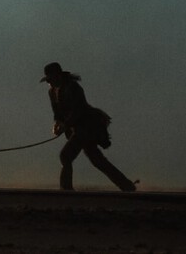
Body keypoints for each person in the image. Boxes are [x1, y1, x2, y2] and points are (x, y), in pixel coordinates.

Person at [42, 61, 137, 192]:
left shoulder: (73, 88)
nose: (50, 82)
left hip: (87, 126)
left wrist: (66, 125)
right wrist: (57, 125)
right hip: (76, 129)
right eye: (48, 80)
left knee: (65, 156)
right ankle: (127, 186)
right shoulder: (52, 92)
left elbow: (79, 110)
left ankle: (66, 189)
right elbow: (57, 113)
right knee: (97, 160)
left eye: (51, 79)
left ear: (58, 76)